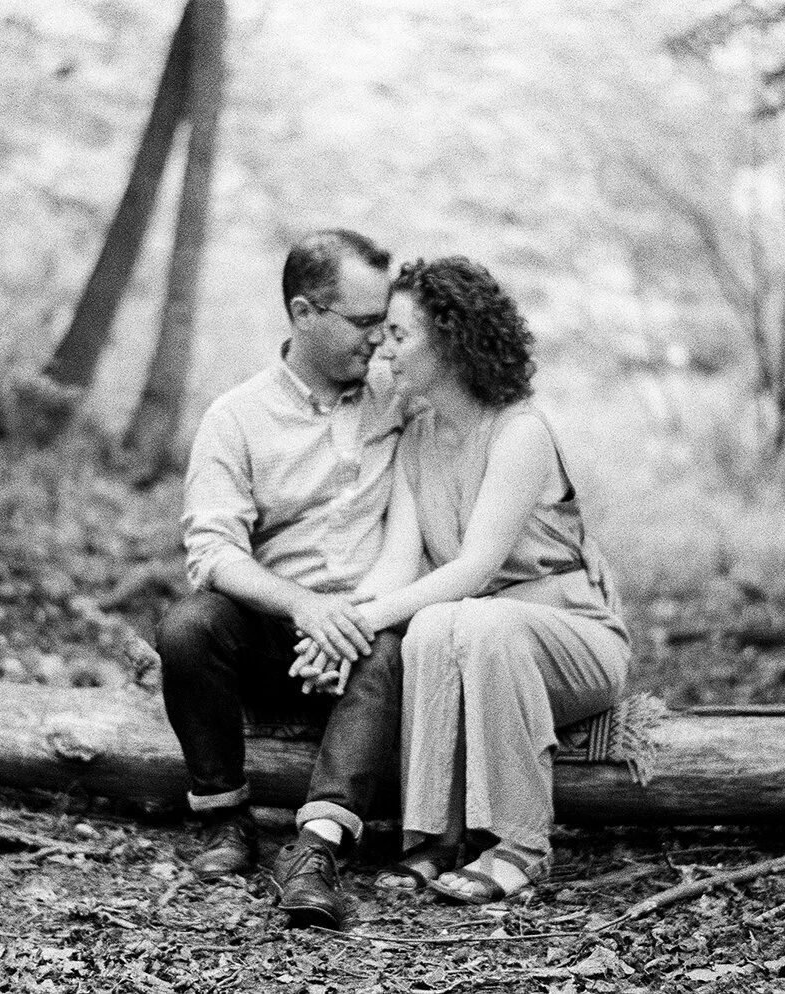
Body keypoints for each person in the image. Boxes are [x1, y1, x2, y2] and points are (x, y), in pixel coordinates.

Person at [293, 255, 630, 903]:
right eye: (382, 333)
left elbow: (475, 569)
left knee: (469, 616)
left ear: (451, 341)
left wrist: (364, 620)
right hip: (479, 634)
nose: (381, 348)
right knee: (429, 626)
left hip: (575, 637)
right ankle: (437, 838)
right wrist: (331, 630)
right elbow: (396, 568)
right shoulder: (417, 436)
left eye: (399, 333)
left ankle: (523, 844)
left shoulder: (519, 431)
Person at [158, 228, 406, 930]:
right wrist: (306, 609)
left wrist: (347, 616)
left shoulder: (398, 400)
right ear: (303, 312)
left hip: (373, 625)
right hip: (277, 631)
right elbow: (211, 550)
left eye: (385, 323)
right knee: (187, 627)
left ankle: (316, 851)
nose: (379, 341)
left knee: (380, 645)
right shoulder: (237, 416)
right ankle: (223, 818)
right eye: (363, 324)